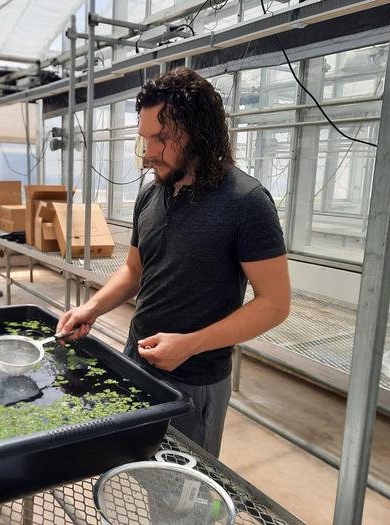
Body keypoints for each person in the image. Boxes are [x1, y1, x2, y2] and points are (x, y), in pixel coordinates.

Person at [56, 67, 290, 457]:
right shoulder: (152, 193)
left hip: (193, 381)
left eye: (161, 138)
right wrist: (90, 309)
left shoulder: (246, 202)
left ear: (198, 132)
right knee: (137, 466)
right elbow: (135, 269)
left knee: (184, 498)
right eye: (145, 138)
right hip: (137, 361)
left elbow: (275, 304)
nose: (148, 152)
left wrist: (191, 344)